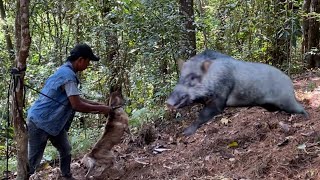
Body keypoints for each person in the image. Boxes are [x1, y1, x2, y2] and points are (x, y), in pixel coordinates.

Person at [27, 43, 112, 180]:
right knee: (33, 160)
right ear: (80, 60)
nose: (88, 65)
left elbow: (75, 98)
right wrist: (101, 109)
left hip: (54, 122)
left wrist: (98, 104)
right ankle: (26, 176)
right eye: (88, 61)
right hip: (40, 121)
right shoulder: (68, 76)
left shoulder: (65, 71)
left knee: (65, 149)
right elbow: (77, 105)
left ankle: (66, 176)